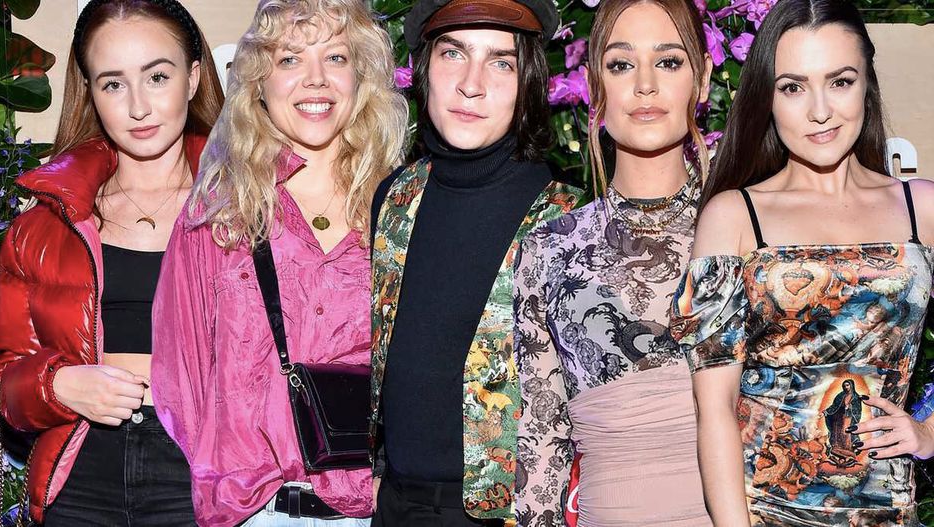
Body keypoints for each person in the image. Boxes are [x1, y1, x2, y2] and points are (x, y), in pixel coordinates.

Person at [670, 0, 934, 525]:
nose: (820, 110)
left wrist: (927, 431)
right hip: (766, 510)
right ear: (767, 98)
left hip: (888, 511)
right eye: (793, 87)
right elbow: (715, 408)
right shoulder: (734, 216)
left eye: (840, 81)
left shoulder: (921, 207)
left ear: (866, 84)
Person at [150, 0, 407, 525]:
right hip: (252, 513)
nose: (316, 79)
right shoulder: (217, 214)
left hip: (378, 512)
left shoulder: (402, 210)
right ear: (258, 84)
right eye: (289, 59)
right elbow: (181, 374)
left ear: (361, 77)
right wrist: (228, 475)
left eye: (336, 57)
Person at [0, 0, 222, 524]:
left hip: (206, 471)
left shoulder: (249, 205)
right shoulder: (45, 224)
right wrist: (56, 385)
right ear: (92, 93)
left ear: (192, 79)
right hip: (80, 473)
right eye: (114, 84)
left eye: (157, 77)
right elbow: (7, 381)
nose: (138, 107)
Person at [368, 0, 584, 524]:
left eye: (501, 62)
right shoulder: (394, 198)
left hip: (509, 513)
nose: (471, 84)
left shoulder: (570, 222)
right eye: (453, 54)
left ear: (529, 82)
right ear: (424, 69)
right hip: (393, 504)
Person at [513, 0, 713, 525]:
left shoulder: (747, 236)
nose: (645, 85)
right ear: (593, 85)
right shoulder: (548, 250)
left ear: (703, 79)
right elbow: (542, 442)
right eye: (621, 64)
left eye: (668, 61)